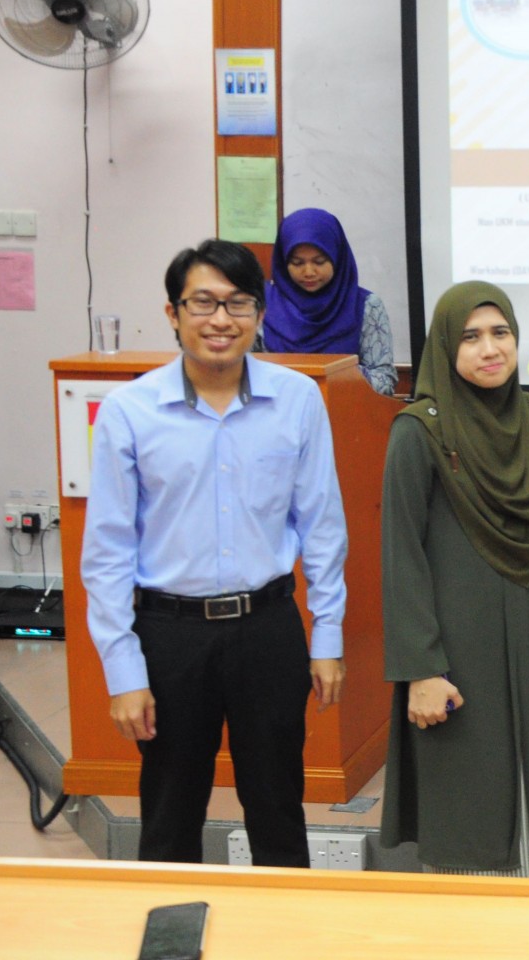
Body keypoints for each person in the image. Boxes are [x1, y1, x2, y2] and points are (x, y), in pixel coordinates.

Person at [81, 238, 348, 864]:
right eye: (202, 302)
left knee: (278, 808)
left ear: (260, 312)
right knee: (170, 812)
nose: (221, 320)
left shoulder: (298, 399)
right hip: (170, 635)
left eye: (238, 303)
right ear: (173, 314)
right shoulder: (129, 411)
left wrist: (328, 636)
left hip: (268, 628)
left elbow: (322, 526)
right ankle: (173, 919)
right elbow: (108, 552)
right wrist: (123, 672)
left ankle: (280, 922)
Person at [380, 281, 529, 875]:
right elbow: (401, 555)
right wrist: (421, 669)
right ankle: (467, 918)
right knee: (466, 791)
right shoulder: (418, 430)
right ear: (445, 347)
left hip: (528, 631)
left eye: (501, 333)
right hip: (456, 649)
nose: (490, 349)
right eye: (470, 337)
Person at [260, 207, 397, 396]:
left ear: (337, 257)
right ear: (283, 262)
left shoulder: (366, 306)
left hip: (344, 410)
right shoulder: (261, 303)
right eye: (298, 263)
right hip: (277, 410)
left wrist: (333, 374)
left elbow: (384, 381)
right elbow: (241, 373)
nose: (309, 272)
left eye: (319, 262)